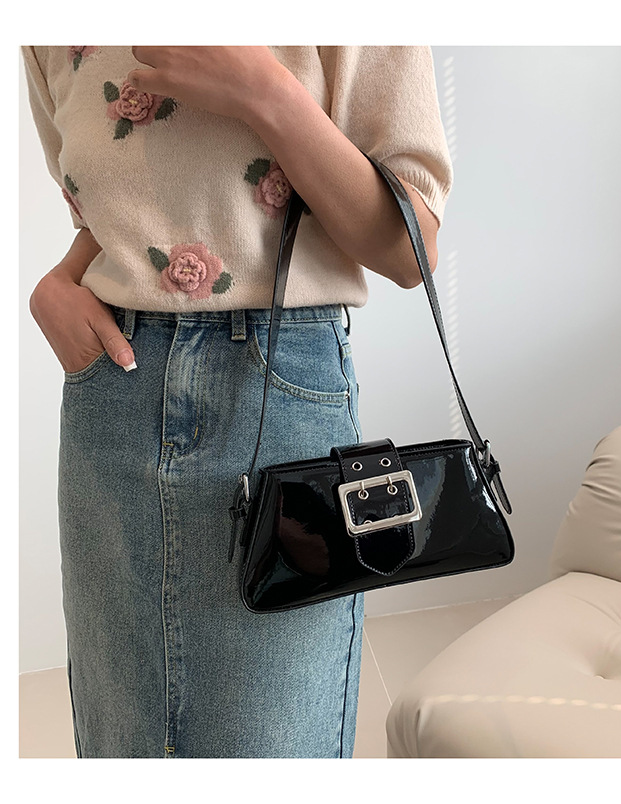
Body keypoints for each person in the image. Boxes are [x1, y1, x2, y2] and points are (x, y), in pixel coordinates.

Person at [22, 45, 453, 759]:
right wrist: (58, 284)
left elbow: (411, 248)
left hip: (279, 392)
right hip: (112, 396)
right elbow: (108, 208)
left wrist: (266, 93)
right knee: (121, 746)